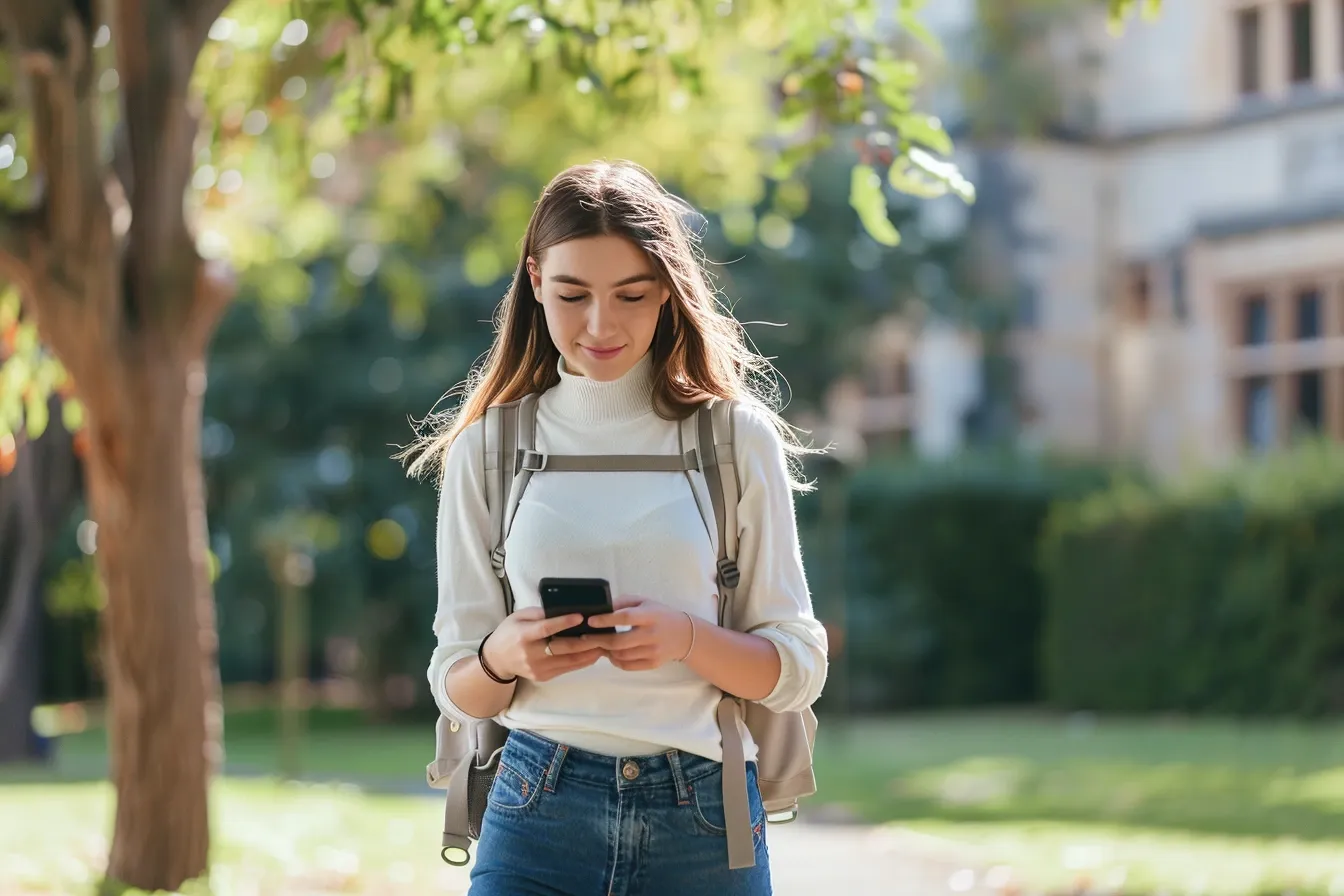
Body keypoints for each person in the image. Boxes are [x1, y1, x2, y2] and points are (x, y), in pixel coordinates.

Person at [408, 160, 828, 896]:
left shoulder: (734, 441)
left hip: (703, 816)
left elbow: (797, 668)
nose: (601, 325)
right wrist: (504, 657)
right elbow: (456, 685)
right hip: (535, 805)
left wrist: (690, 640)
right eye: (572, 295)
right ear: (534, 280)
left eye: (631, 296)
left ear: (667, 290)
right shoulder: (489, 449)